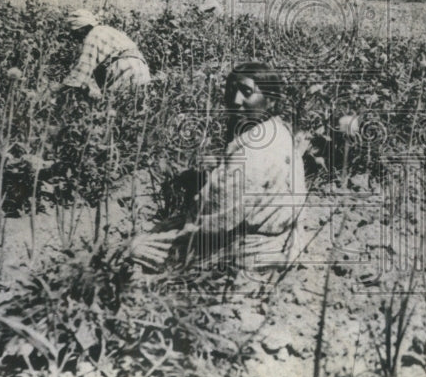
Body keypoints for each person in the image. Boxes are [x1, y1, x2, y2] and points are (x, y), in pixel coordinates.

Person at [129, 63, 306, 272]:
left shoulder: (251, 152)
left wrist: (188, 219)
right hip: (285, 237)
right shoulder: (278, 130)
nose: (236, 100)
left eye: (247, 92)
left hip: (249, 247)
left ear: (271, 99)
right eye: (231, 91)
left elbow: (219, 216)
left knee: (137, 247)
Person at [61, 9, 151, 101]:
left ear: (81, 29)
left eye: (73, 32)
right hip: (141, 67)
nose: (72, 36)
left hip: (124, 68)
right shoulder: (108, 30)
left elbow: (83, 70)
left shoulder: (92, 36)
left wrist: (62, 89)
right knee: (135, 104)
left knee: (115, 106)